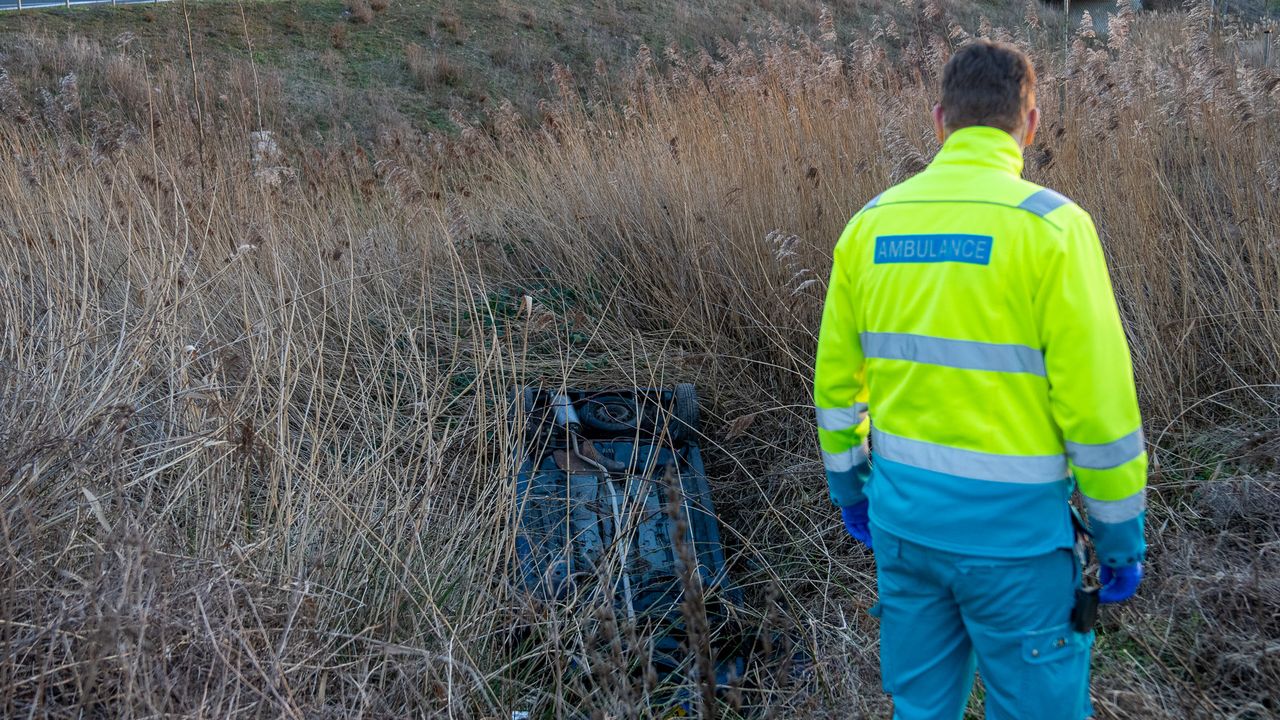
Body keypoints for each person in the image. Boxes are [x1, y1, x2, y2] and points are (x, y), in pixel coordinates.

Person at [812, 40, 1147, 719]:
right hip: (1017, 548)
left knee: (921, 708)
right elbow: (1098, 412)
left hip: (904, 528)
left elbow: (836, 390)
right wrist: (1119, 539)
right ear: (1030, 124)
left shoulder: (869, 226)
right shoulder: (1054, 229)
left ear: (940, 121)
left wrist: (851, 491)